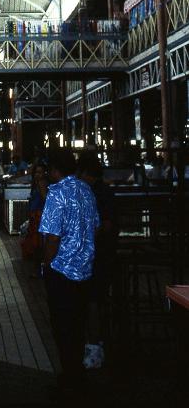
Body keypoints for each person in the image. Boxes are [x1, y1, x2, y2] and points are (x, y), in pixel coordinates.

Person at [39, 148, 99, 402]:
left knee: (62, 328)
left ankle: (69, 381)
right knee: (78, 323)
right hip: (85, 270)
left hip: (61, 271)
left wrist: (46, 263)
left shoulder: (57, 194)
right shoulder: (87, 190)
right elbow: (95, 226)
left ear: (54, 169)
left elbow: (52, 237)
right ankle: (79, 378)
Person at [77, 151, 118, 370]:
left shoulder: (93, 193)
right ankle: (99, 342)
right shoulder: (105, 192)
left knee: (91, 299)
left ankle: (94, 347)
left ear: (84, 172)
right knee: (96, 299)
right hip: (103, 254)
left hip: (96, 255)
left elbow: (106, 225)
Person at [21, 161, 48, 270]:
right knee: (36, 243)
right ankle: (37, 268)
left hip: (39, 216)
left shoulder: (42, 184)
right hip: (35, 216)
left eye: (40, 172)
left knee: (38, 244)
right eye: (36, 172)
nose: (38, 174)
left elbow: (45, 199)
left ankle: (38, 269)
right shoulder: (36, 184)